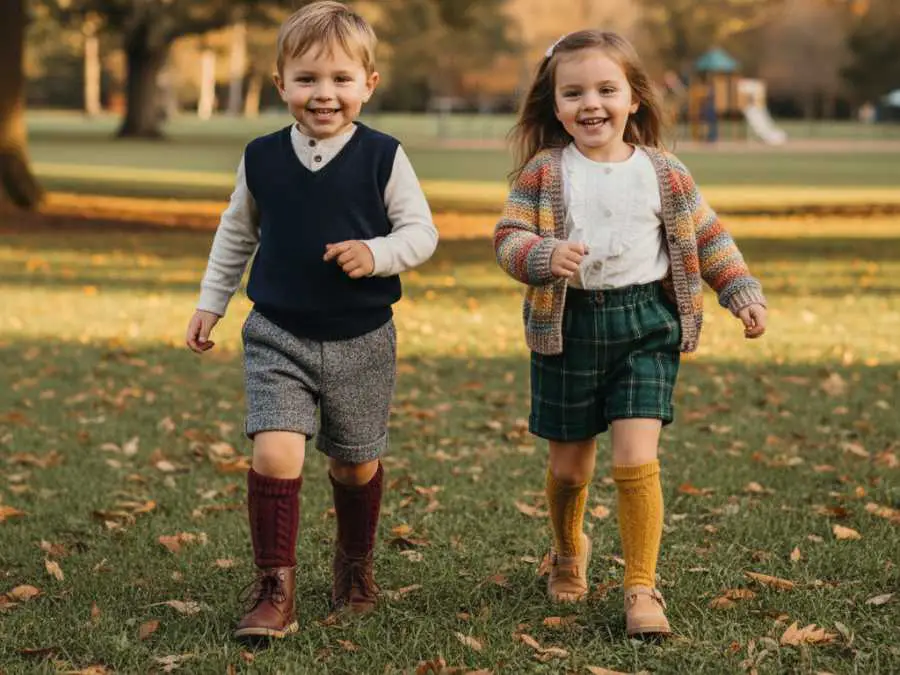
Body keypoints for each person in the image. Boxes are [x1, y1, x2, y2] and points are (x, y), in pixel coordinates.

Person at [493, 30, 767, 638]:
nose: (591, 104)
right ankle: (568, 551)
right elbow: (508, 236)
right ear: (556, 104)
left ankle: (641, 586)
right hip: (568, 327)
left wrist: (741, 292)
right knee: (569, 468)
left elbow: (709, 239)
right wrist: (541, 255)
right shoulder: (544, 172)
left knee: (637, 458)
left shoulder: (664, 172)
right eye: (574, 93)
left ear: (634, 98)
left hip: (647, 326)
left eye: (606, 89)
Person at [185, 0, 437, 640]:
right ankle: (275, 588)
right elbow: (235, 235)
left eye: (341, 80)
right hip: (278, 332)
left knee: (354, 465)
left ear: (368, 84)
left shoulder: (383, 156)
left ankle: (354, 564)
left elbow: (421, 233)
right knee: (275, 452)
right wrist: (211, 303)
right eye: (307, 80)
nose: (324, 95)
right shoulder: (262, 157)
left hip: (361, 339)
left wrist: (377, 253)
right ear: (281, 85)